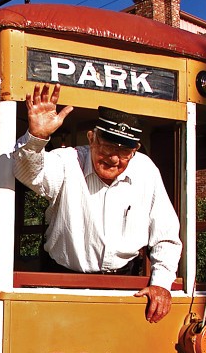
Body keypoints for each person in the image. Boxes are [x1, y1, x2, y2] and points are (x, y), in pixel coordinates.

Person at [13, 83, 181, 323]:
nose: (113, 158)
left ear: (135, 150)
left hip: (126, 285)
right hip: (63, 283)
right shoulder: (67, 161)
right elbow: (26, 173)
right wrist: (37, 137)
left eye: (124, 151)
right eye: (108, 145)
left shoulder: (146, 170)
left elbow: (166, 236)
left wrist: (161, 284)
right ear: (92, 138)